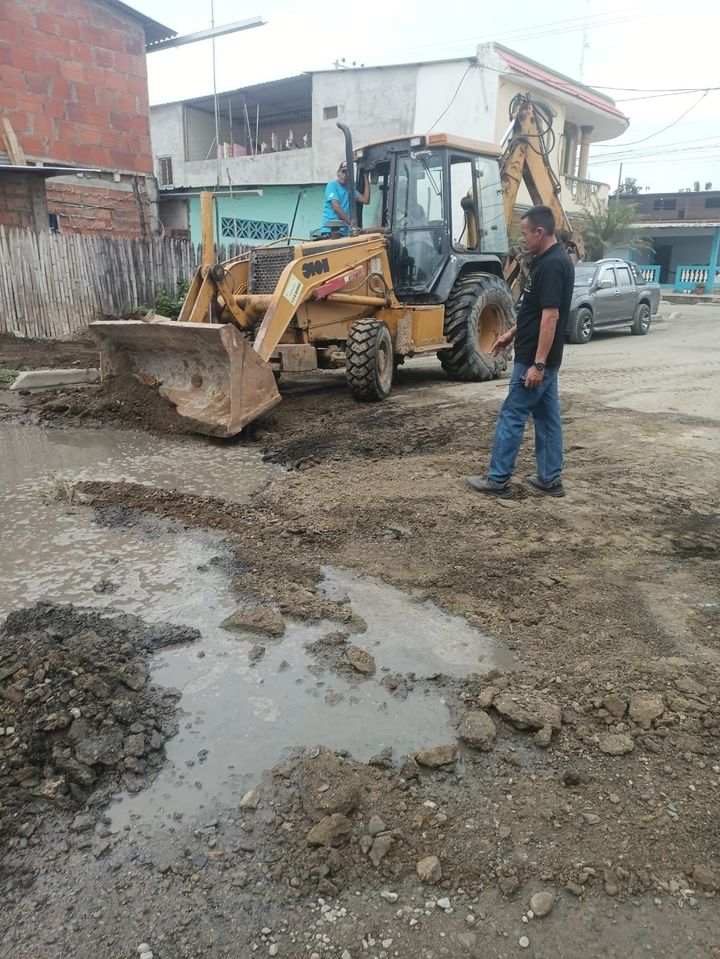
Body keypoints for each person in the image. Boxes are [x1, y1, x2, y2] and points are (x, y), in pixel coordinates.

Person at [466, 204, 575, 499]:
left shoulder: (553, 265)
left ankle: (497, 479)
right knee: (547, 418)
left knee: (512, 414)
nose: (522, 238)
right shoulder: (547, 261)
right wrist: (511, 334)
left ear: (540, 232)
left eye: (525, 233)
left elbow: (551, 317)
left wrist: (537, 365)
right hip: (542, 358)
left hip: (535, 360)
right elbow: (535, 312)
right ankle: (550, 478)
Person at [319, 161, 370, 236]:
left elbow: (366, 200)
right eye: (343, 172)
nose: (345, 175)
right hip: (330, 231)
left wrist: (366, 176)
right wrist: (352, 224)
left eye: (347, 173)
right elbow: (336, 207)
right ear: (338, 173)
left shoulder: (350, 189)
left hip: (344, 232)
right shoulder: (332, 185)